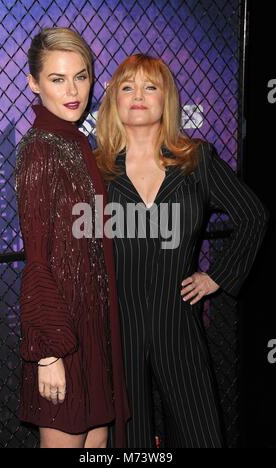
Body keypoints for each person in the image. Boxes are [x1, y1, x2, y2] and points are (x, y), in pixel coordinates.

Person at [95, 54, 269, 448]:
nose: (138, 95)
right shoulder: (97, 168)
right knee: (131, 439)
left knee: (200, 433)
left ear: (166, 99)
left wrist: (217, 277)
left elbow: (253, 216)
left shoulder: (196, 160)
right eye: (127, 87)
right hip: (117, 321)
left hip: (177, 319)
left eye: (150, 86)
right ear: (114, 101)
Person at [14, 27, 130, 449]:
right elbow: (38, 258)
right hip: (61, 336)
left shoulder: (78, 141)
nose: (73, 90)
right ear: (34, 82)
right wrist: (48, 353)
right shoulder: (40, 149)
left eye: (80, 76)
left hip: (94, 330)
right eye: (57, 79)